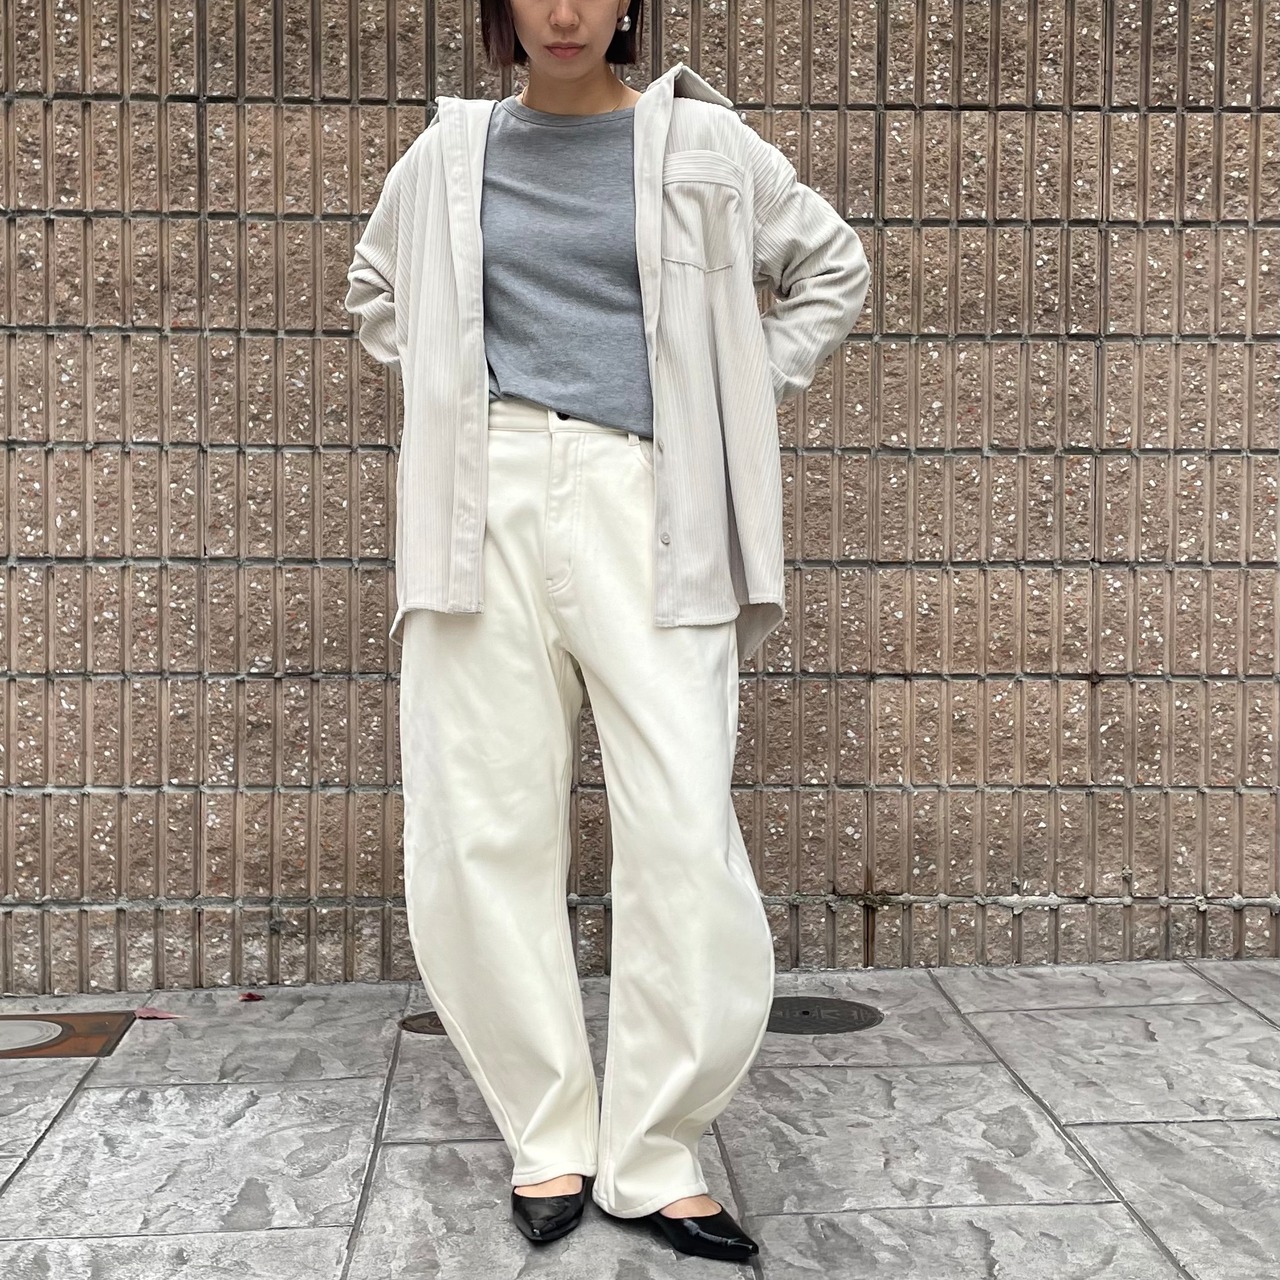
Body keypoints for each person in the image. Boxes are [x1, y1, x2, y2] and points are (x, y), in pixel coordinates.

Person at [344, 0, 868, 1263]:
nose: (565, 12)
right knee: (484, 825)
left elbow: (831, 267)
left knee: (682, 825)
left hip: (652, 496)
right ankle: (548, 1132)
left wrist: (736, 384)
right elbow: (376, 289)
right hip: (483, 500)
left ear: (628, 4)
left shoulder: (703, 142)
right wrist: (453, 388)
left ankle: (656, 1150)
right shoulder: (449, 152)